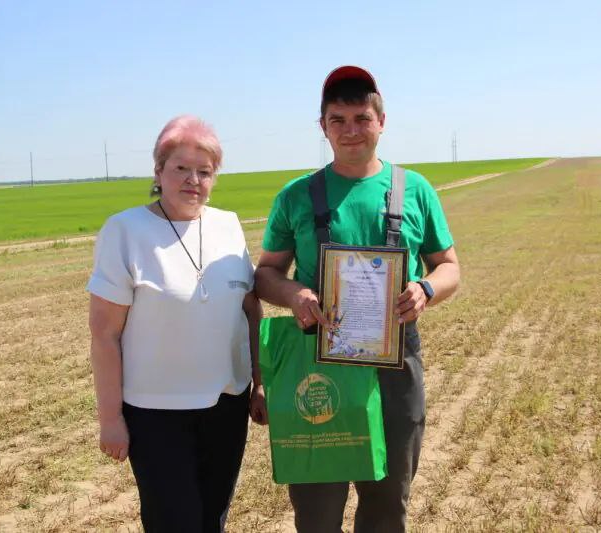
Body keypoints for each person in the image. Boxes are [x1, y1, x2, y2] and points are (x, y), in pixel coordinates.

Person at [255, 66, 461, 532]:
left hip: (394, 361)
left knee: (389, 503)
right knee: (317, 508)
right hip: (317, 361)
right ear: (322, 127)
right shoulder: (296, 196)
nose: (351, 130)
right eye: (338, 119)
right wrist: (296, 294)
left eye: (362, 118)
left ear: (381, 122)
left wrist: (425, 289)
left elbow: (449, 267)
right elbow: (265, 273)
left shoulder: (415, 190)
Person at [86, 115, 267, 533]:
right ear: (158, 171)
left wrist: (258, 381)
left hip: (227, 403)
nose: (193, 180)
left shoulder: (227, 225)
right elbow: (105, 334)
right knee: (174, 521)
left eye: (205, 171)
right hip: (155, 413)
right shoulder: (126, 231)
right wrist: (110, 419)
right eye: (181, 168)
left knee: (212, 518)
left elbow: (250, 310)